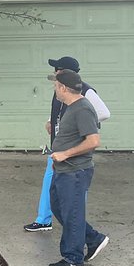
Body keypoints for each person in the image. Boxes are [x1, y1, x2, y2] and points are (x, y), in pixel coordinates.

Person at [23, 56, 110, 232]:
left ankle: (76, 224)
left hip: (72, 152)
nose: (54, 72)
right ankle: (44, 219)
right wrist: (51, 120)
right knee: (50, 183)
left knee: (75, 190)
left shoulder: (85, 91)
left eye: (56, 69)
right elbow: (64, 108)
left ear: (63, 71)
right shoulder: (60, 89)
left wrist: (78, 125)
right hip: (57, 147)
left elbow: (103, 113)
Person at [46, 68, 109, 266]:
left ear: (63, 88)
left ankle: (73, 258)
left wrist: (66, 154)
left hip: (75, 171)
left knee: (72, 213)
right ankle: (92, 238)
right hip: (63, 170)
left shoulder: (82, 108)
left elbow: (93, 141)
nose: (55, 90)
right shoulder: (71, 107)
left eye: (56, 86)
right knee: (58, 207)